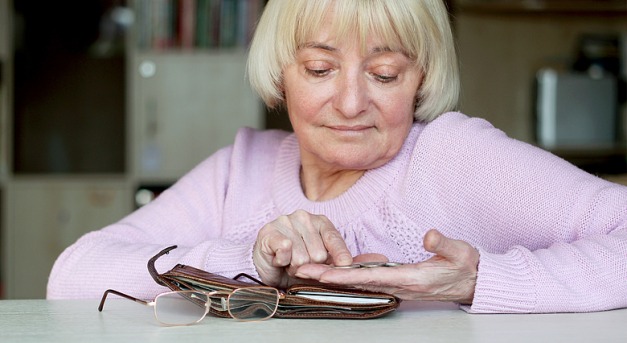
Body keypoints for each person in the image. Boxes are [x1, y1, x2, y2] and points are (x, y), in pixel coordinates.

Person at [47, 0, 627, 314]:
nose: (351, 103)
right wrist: (249, 260)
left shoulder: (452, 153)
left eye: (384, 73)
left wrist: (479, 282)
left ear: (421, 78)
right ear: (281, 74)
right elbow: (72, 274)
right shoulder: (241, 168)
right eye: (321, 70)